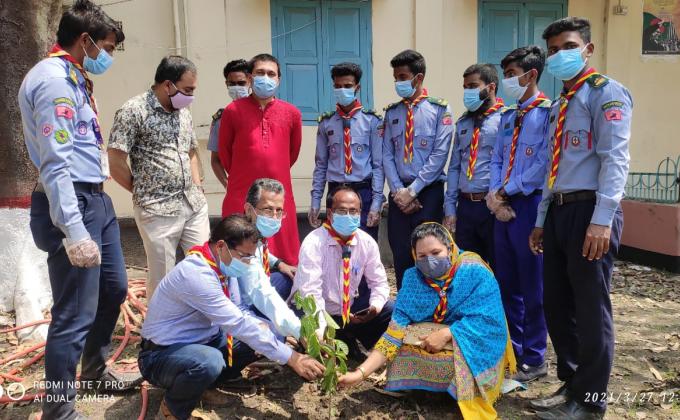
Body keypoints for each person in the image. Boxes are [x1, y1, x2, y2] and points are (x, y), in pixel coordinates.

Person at [17, 1, 138, 418]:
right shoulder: (53, 81)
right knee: (73, 313)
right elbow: (55, 164)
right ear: (85, 40)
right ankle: (59, 410)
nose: (109, 57)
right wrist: (73, 229)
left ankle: (95, 370)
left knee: (114, 289)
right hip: (72, 201)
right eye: (107, 47)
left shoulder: (75, 77)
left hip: (96, 199)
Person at [529, 17, 632, 419]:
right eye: (553, 50)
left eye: (568, 47)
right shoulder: (560, 104)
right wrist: (541, 219)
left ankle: (590, 401)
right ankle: (572, 383)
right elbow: (551, 169)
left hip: (590, 211)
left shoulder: (605, 93)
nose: (559, 55)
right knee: (557, 304)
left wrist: (602, 220)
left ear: (588, 49)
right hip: (559, 211)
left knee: (591, 308)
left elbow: (615, 159)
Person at [139, 215, 324, 420]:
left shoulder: (223, 267)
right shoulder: (196, 274)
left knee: (269, 333)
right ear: (221, 246)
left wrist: (272, 332)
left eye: (251, 257)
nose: (248, 263)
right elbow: (237, 323)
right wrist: (292, 357)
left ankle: (203, 386)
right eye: (244, 256)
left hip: (202, 341)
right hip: (161, 355)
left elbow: (241, 310)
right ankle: (172, 409)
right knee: (210, 361)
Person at [338, 222, 516, 420]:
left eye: (436, 252)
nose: (429, 260)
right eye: (422, 256)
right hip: (430, 338)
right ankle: (427, 391)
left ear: (450, 248)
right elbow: (393, 333)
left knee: (459, 363)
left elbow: (489, 320)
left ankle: (456, 393)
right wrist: (359, 374)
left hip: (474, 340)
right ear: (414, 256)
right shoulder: (413, 279)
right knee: (401, 352)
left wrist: (448, 333)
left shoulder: (475, 272)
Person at [108, 56, 209, 299]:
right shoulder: (134, 110)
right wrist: (141, 190)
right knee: (163, 277)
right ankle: (159, 323)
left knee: (204, 268)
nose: (191, 96)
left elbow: (191, 152)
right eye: (187, 90)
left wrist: (197, 186)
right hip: (157, 209)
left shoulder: (183, 112)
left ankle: (198, 318)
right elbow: (115, 161)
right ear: (167, 85)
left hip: (193, 205)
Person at [487, 46, 552, 383]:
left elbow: (544, 162)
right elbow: (498, 157)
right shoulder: (508, 116)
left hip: (529, 204)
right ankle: (512, 351)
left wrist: (507, 190)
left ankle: (535, 355)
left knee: (533, 284)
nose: (507, 81)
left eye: (512, 74)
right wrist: (495, 196)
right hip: (501, 205)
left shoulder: (548, 113)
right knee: (507, 282)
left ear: (531, 75)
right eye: (506, 74)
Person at [218, 53, 302, 265]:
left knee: (284, 259)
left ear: (279, 79)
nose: (266, 78)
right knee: (237, 255)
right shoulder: (232, 111)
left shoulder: (292, 113)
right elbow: (225, 154)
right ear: (250, 77)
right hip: (241, 194)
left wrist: (272, 168)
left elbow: (292, 154)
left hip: (278, 195)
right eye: (260, 73)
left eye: (271, 74)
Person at [293, 187, 393, 361]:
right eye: (342, 211)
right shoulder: (314, 243)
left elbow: (379, 282)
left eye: (353, 211)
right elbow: (310, 292)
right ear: (330, 214)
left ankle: (349, 337)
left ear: (360, 213)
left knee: (392, 311)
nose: (348, 216)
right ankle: (318, 343)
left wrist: (374, 308)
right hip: (319, 312)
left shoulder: (366, 242)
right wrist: (320, 331)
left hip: (350, 311)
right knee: (319, 354)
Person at [382, 49, 454, 289]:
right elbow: (387, 154)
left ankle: (432, 301)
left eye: (403, 77)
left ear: (418, 78)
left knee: (429, 254)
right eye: (396, 78)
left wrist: (412, 191)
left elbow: (439, 155)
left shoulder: (440, 110)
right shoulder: (392, 112)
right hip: (398, 194)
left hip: (428, 193)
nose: (398, 83)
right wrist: (398, 191)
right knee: (401, 253)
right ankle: (406, 301)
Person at [310, 62, 384, 240]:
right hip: (335, 191)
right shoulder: (326, 123)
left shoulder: (372, 121)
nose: (342, 90)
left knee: (365, 242)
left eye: (347, 86)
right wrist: (315, 201)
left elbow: (378, 165)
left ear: (357, 87)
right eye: (338, 86)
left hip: (364, 191)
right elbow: (320, 165)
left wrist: (376, 203)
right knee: (334, 241)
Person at [443, 64, 504, 269]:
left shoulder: (506, 119)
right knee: (467, 267)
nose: (468, 92)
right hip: (466, 206)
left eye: (473, 86)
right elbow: (454, 167)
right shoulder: (463, 122)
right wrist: (450, 208)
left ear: (491, 87)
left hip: (492, 205)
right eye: (465, 87)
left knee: (499, 267)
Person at [244, 178, 297, 301]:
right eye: (268, 209)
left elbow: (261, 249)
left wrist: (279, 263)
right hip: (246, 301)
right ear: (249, 210)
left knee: (291, 277)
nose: (274, 217)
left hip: (259, 290)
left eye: (279, 210)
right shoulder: (242, 243)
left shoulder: (256, 235)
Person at [208, 59, 250, 189]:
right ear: (226, 84)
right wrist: (229, 186)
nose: (236, 87)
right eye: (232, 84)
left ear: (250, 81)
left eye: (241, 83)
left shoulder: (264, 113)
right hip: (239, 187)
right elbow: (216, 160)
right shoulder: (221, 119)